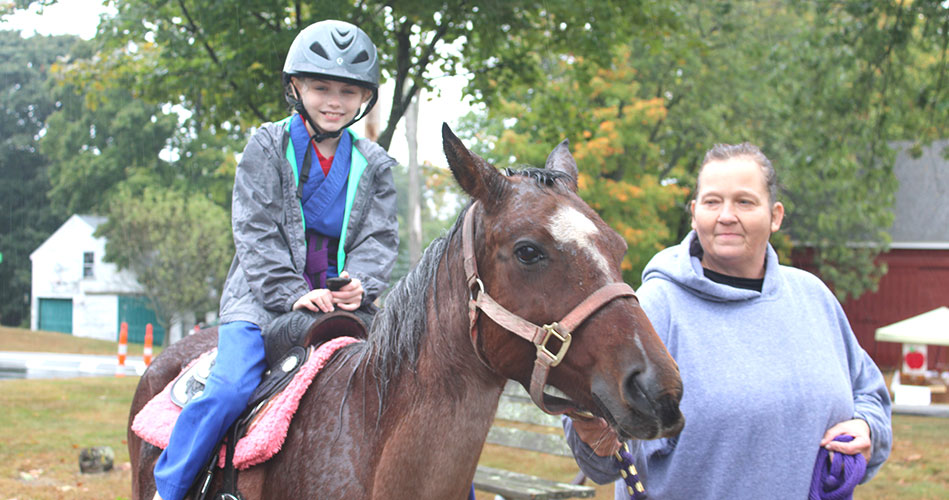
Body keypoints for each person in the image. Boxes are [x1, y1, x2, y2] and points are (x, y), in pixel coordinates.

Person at [152, 20, 399, 500]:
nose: (334, 100)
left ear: (364, 98)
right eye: (321, 86)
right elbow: (254, 229)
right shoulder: (265, 146)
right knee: (227, 389)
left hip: (342, 303)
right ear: (295, 87)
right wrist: (291, 292)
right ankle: (171, 487)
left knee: (415, 380)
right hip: (262, 298)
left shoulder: (377, 165)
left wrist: (361, 284)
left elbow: (379, 237)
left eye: (348, 91)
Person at [563, 142, 892, 499]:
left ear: (776, 216)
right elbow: (605, 459)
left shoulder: (813, 298)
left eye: (745, 202)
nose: (726, 215)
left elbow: (869, 391)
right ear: (694, 213)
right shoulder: (654, 308)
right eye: (712, 201)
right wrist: (593, 431)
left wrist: (869, 428)